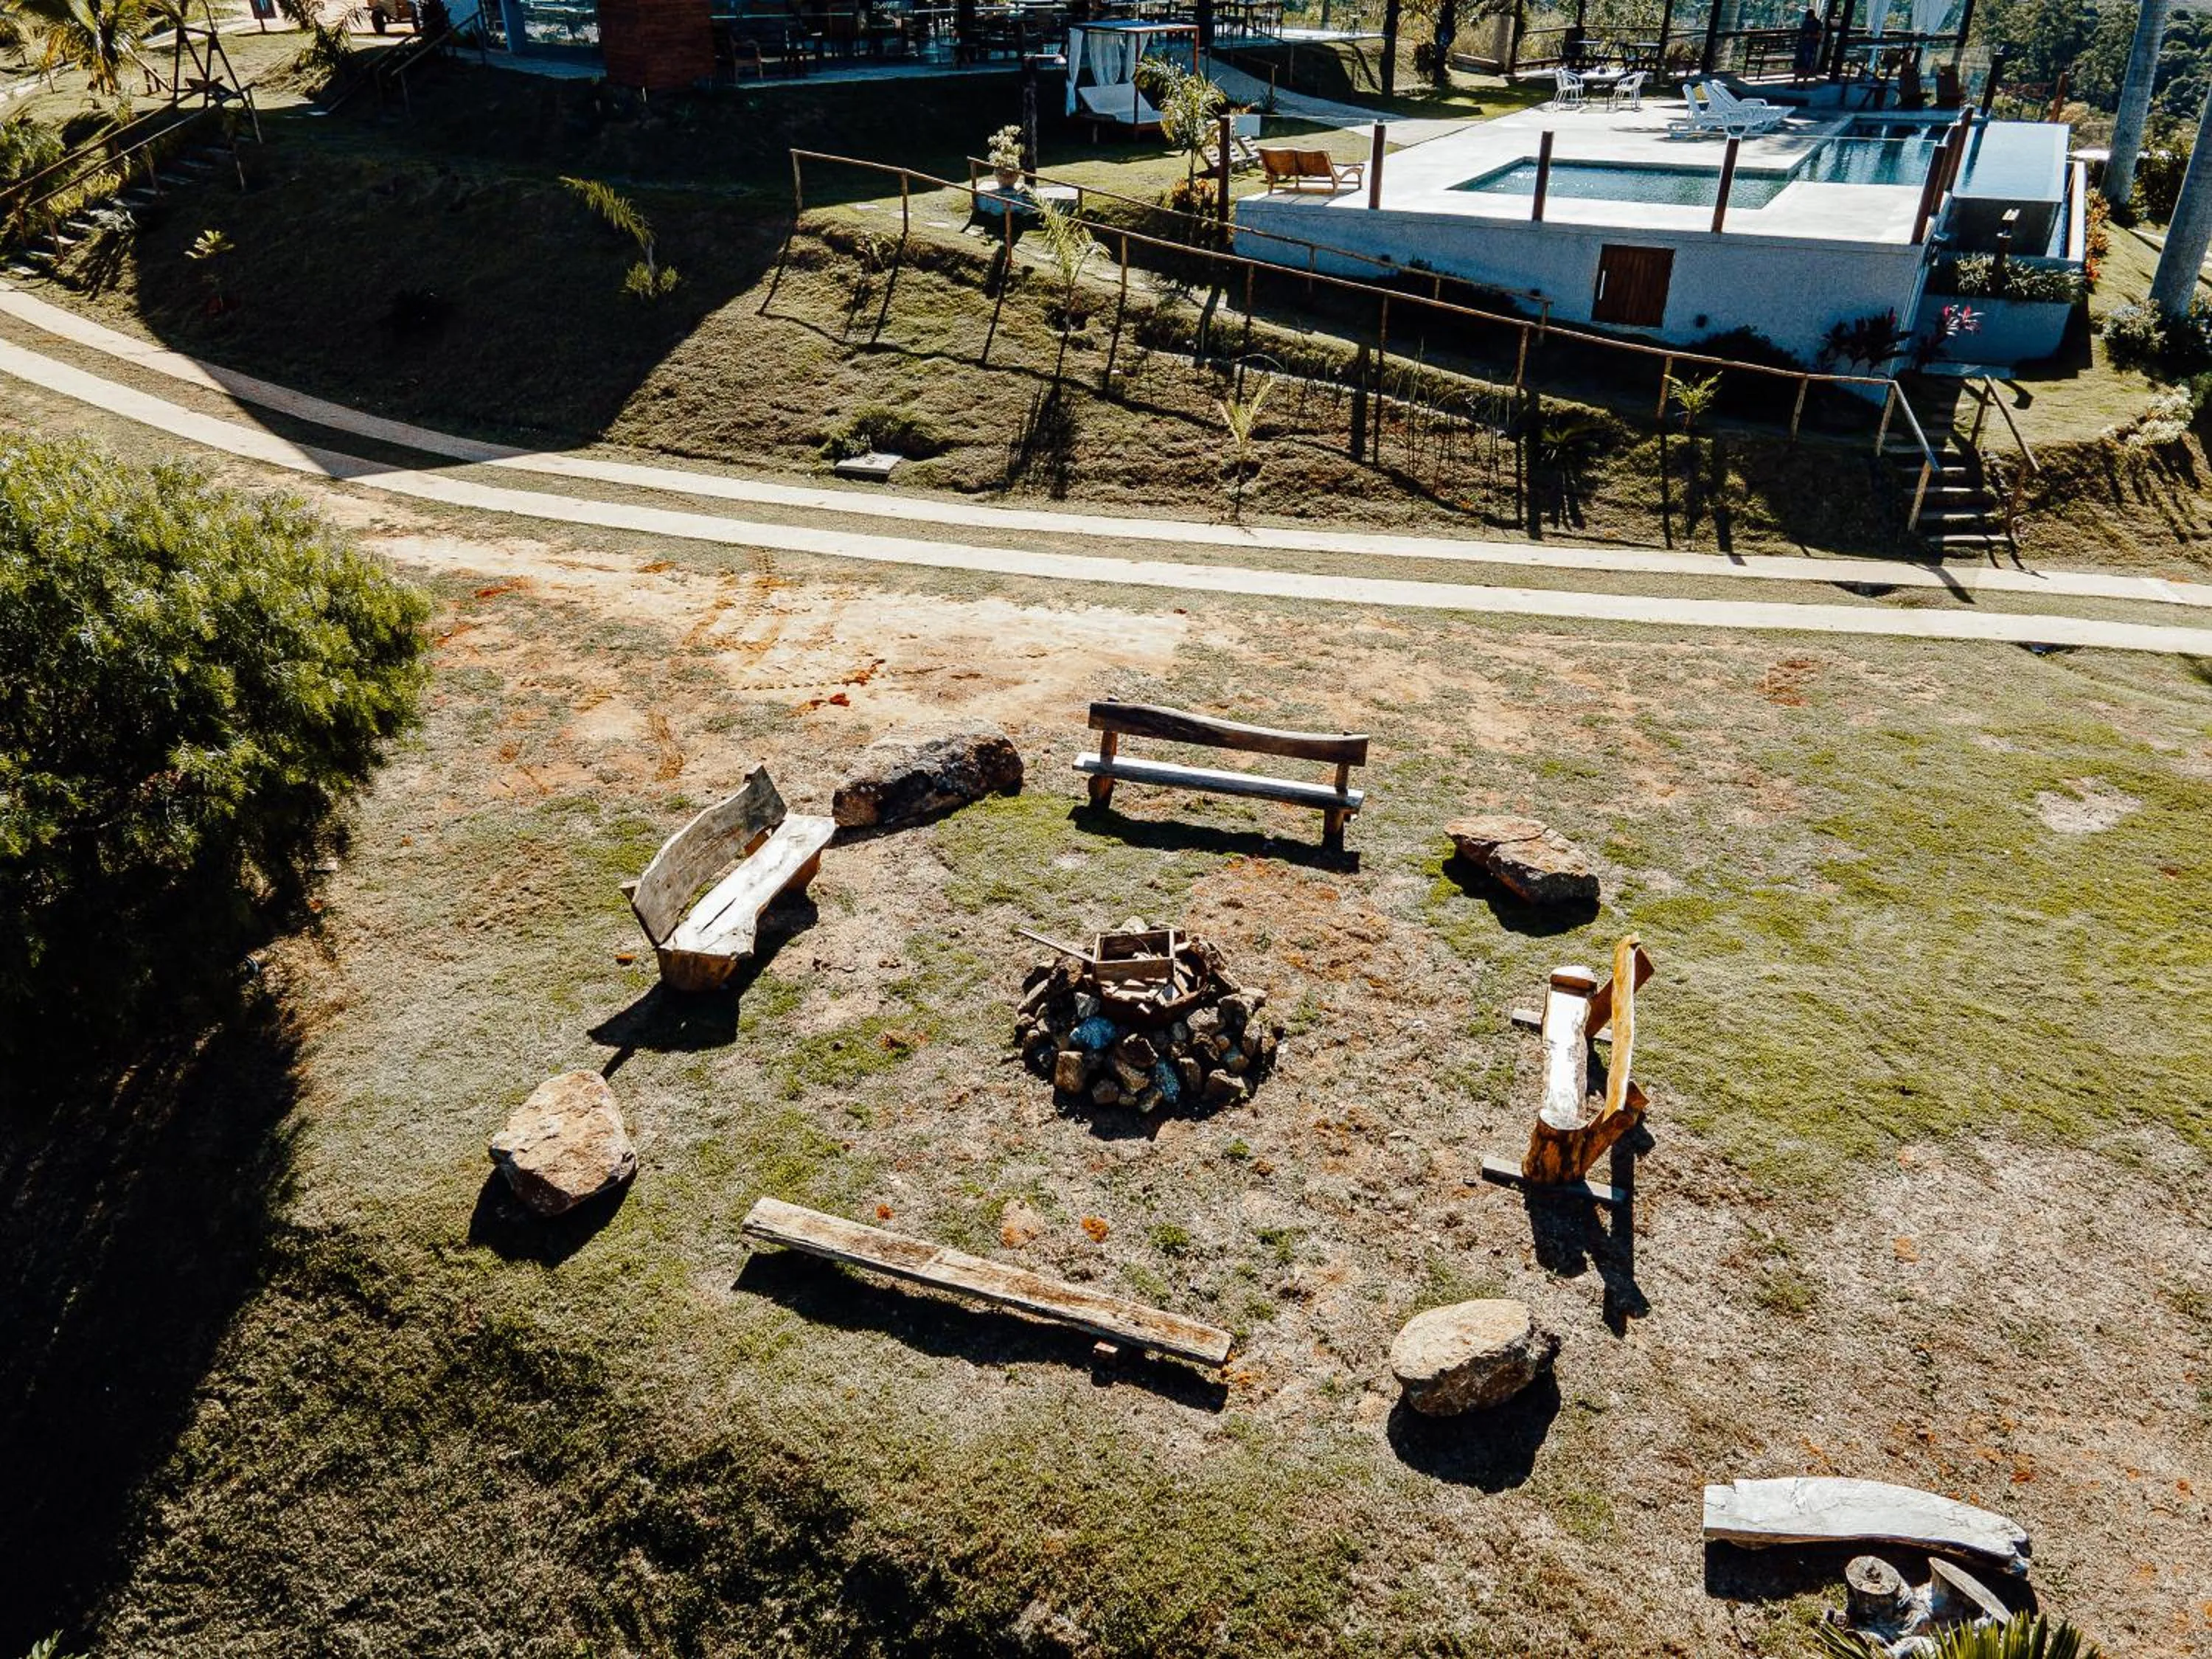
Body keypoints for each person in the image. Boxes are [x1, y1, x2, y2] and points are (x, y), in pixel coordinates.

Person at [1792, 3, 1820, 81]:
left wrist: (1811, 36)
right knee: (1798, 64)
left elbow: (1819, 35)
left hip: (1810, 46)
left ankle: (1804, 81)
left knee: (1807, 64)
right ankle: (1795, 80)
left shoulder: (1818, 24)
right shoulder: (1805, 22)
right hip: (1802, 45)